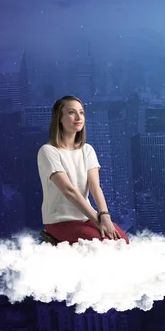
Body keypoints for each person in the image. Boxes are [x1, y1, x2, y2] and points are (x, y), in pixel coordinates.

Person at [37, 95, 130, 244]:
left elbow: (95, 187)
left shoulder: (87, 150)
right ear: (59, 118)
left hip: (86, 217)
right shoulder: (48, 151)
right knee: (106, 245)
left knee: (123, 242)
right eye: (71, 112)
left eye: (81, 112)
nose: (78, 117)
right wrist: (97, 220)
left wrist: (104, 216)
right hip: (60, 220)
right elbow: (69, 191)